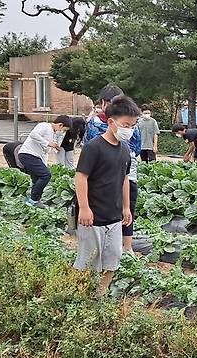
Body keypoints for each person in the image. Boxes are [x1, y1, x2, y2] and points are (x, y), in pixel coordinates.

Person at [73, 95, 138, 295]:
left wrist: (126, 207)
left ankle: (99, 295)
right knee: (88, 260)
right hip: (92, 216)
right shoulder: (94, 147)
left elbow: (125, 179)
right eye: (126, 125)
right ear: (111, 122)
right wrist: (84, 208)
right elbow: (81, 177)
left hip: (114, 215)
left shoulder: (124, 150)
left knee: (113, 258)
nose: (129, 130)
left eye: (133, 126)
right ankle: (77, 296)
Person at [84, 85, 141, 252]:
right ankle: (101, 249)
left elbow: (136, 148)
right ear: (102, 103)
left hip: (125, 172)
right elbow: (88, 151)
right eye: (109, 102)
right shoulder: (94, 124)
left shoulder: (128, 123)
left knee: (127, 208)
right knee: (102, 208)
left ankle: (126, 248)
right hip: (101, 176)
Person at [17, 115, 72, 208]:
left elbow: (45, 153)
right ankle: (34, 199)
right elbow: (33, 135)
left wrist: (44, 164)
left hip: (35, 156)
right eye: (64, 130)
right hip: (27, 154)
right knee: (46, 175)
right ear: (60, 125)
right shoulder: (45, 126)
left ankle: (32, 202)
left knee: (37, 178)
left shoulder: (53, 134)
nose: (62, 132)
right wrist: (48, 143)